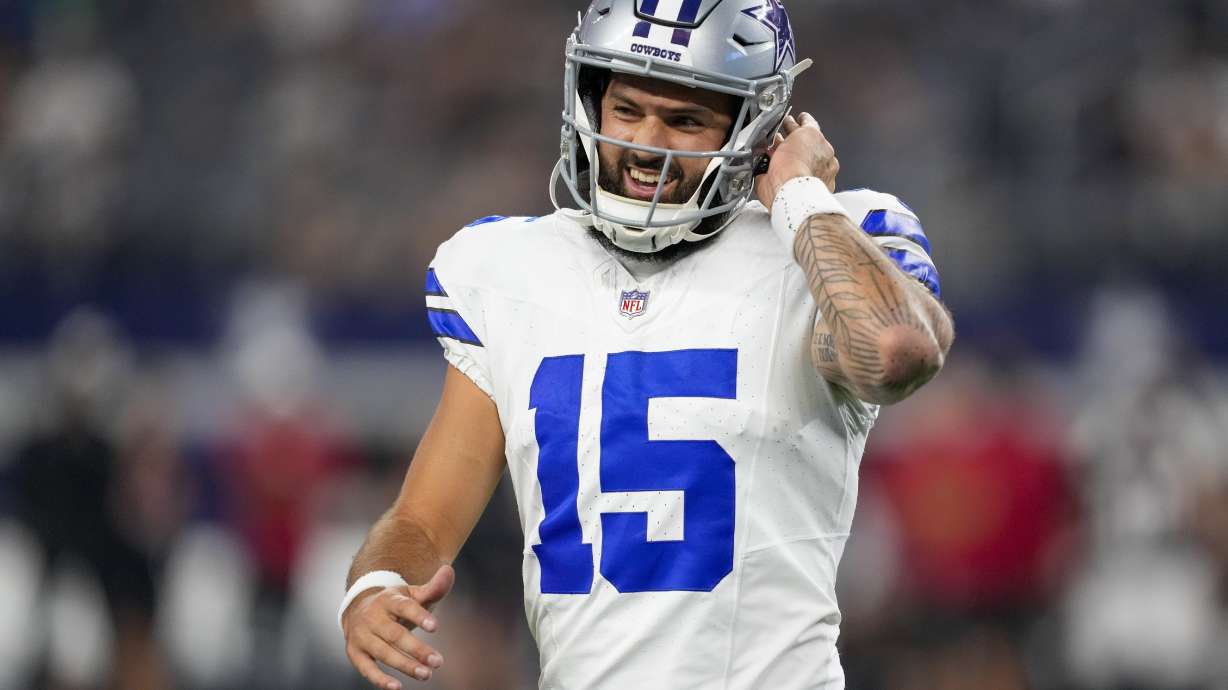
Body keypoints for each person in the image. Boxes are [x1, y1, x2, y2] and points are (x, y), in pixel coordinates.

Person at [339, 1, 954, 688]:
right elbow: (423, 519)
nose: (644, 143)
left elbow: (896, 349)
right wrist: (376, 584)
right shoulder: (509, 268)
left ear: (758, 128)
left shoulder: (824, 242)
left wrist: (803, 197)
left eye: (685, 120)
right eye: (626, 109)